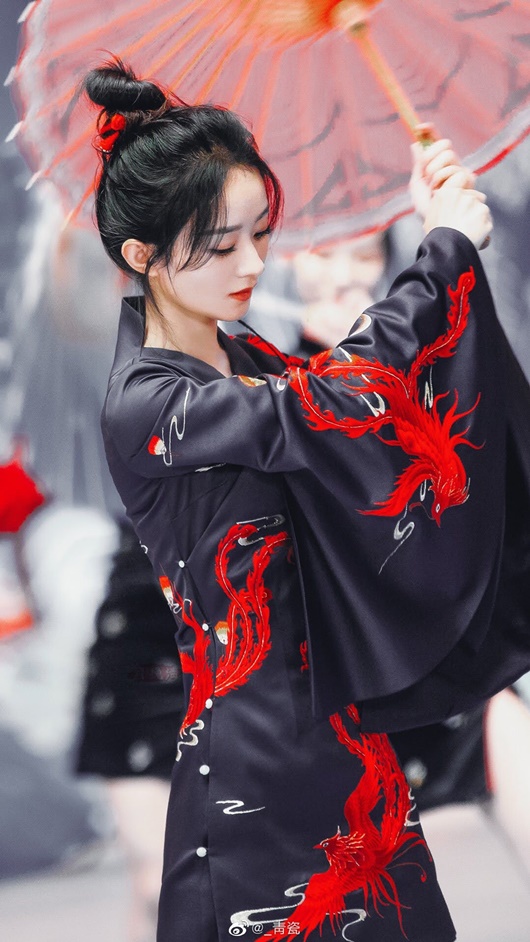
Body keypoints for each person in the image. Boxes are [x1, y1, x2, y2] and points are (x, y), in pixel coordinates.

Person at [83, 58, 530, 942]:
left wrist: (430, 221)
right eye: (222, 247)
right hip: (254, 771)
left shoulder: (242, 355)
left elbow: (363, 411)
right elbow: (326, 403)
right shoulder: (148, 402)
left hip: (345, 740)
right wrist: (442, 248)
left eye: (260, 234)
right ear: (142, 256)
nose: (254, 263)